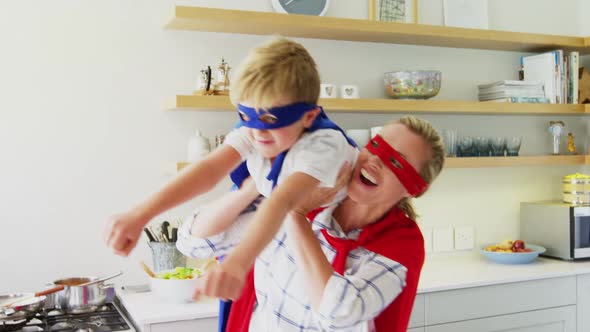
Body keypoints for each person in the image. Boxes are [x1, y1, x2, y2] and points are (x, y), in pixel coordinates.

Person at [104, 36, 357, 299]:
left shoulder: (323, 145)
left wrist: (238, 262)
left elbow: (282, 202)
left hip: (332, 239)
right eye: (246, 115)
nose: (258, 131)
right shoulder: (257, 128)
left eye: (270, 119)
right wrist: (140, 214)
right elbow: (210, 170)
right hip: (285, 227)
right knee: (196, 239)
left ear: (309, 116)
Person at [177, 116, 445, 331]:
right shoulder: (312, 188)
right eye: (376, 146)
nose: (375, 160)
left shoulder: (401, 243)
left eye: (395, 161)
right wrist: (254, 188)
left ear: (414, 189)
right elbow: (194, 241)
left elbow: (339, 313)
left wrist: (296, 215)